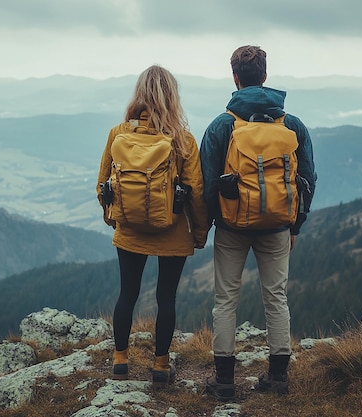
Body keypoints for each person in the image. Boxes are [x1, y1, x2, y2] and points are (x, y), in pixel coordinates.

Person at [199, 45, 317, 399]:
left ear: (235, 78)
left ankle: (224, 382)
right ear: (264, 77)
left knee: (225, 300)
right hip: (278, 226)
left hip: (232, 227)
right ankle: (278, 378)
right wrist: (294, 224)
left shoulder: (223, 125)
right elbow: (308, 179)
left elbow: (207, 184)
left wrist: (207, 225)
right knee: (276, 298)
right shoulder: (291, 124)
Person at [96, 65, 209, 386]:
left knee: (127, 294)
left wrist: (114, 218)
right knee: (166, 298)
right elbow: (196, 192)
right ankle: (160, 365)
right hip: (171, 233)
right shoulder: (182, 140)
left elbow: (103, 184)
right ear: (173, 97)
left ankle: (120, 359)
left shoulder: (119, 134)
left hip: (129, 230)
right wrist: (200, 234)